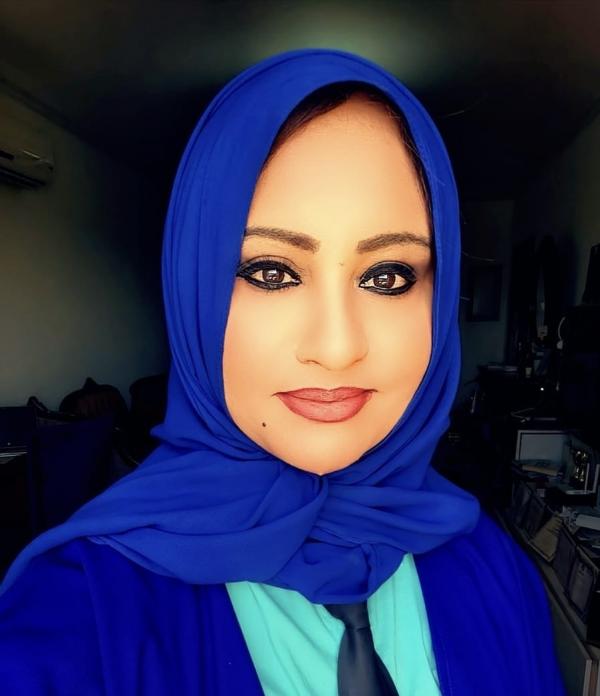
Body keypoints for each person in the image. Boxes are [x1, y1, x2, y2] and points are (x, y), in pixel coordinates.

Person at [0, 48, 565, 695]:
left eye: (387, 277)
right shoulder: (81, 610)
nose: (336, 347)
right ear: (194, 291)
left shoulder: (489, 564)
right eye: (271, 272)